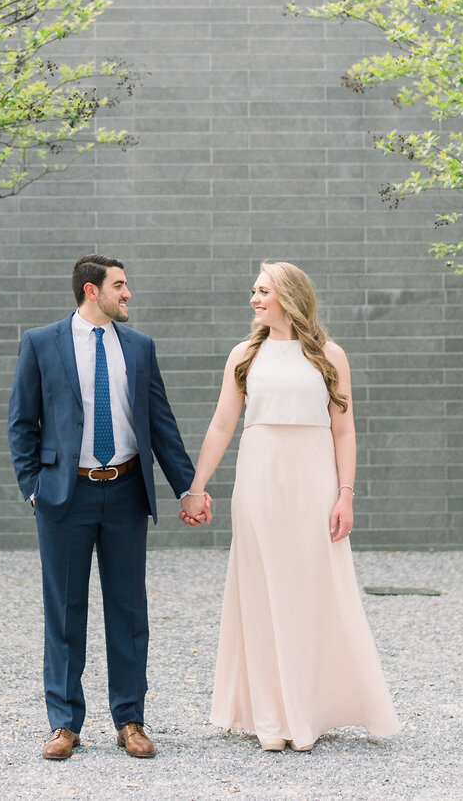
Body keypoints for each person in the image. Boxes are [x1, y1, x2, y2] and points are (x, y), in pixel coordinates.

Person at [180, 260, 400, 752]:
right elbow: (221, 426)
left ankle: (311, 710)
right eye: (253, 291)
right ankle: (272, 718)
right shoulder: (243, 355)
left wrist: (346, 494)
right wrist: (196, 487)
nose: (253, 298)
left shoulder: (330, 355)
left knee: (313, 592)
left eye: (262, 291)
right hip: (259, 483)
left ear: (288, 296)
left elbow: (344, 430)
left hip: (314, 485)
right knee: (262, 592)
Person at [8, 253, 211, 762]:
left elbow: (160, 423)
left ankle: (130, 720)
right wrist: (34, 487)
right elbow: (21, 422)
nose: (128, 294)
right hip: (64, 496)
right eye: (120, 286)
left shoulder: (139, 347)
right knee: (65, 611)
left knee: (128, 609)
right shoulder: (40, 343)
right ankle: (64, 725)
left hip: (124, 492)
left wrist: (189, 487)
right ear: (91, 290)